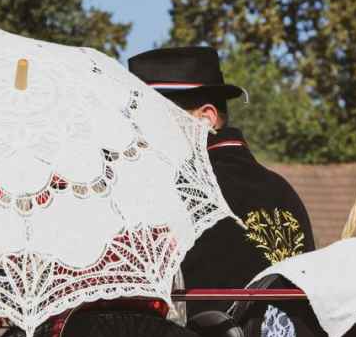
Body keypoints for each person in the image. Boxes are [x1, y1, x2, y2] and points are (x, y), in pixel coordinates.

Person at [128, 45, 315, 285]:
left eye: (153, 119)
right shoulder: (283, 190)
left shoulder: (175, 193)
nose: (138, 134)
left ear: (206, 118)